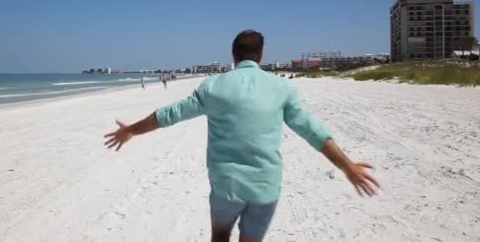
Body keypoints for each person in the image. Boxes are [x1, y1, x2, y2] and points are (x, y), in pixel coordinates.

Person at [105, 29, 379, 242]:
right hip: (265, 187)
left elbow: (167, 115)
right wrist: (348, 167)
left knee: (220, 237)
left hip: (227, 186)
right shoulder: (281, 88)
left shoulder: (213, 87)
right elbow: (313, 132)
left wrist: (130, 130)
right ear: (261, 56)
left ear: (233, 56)